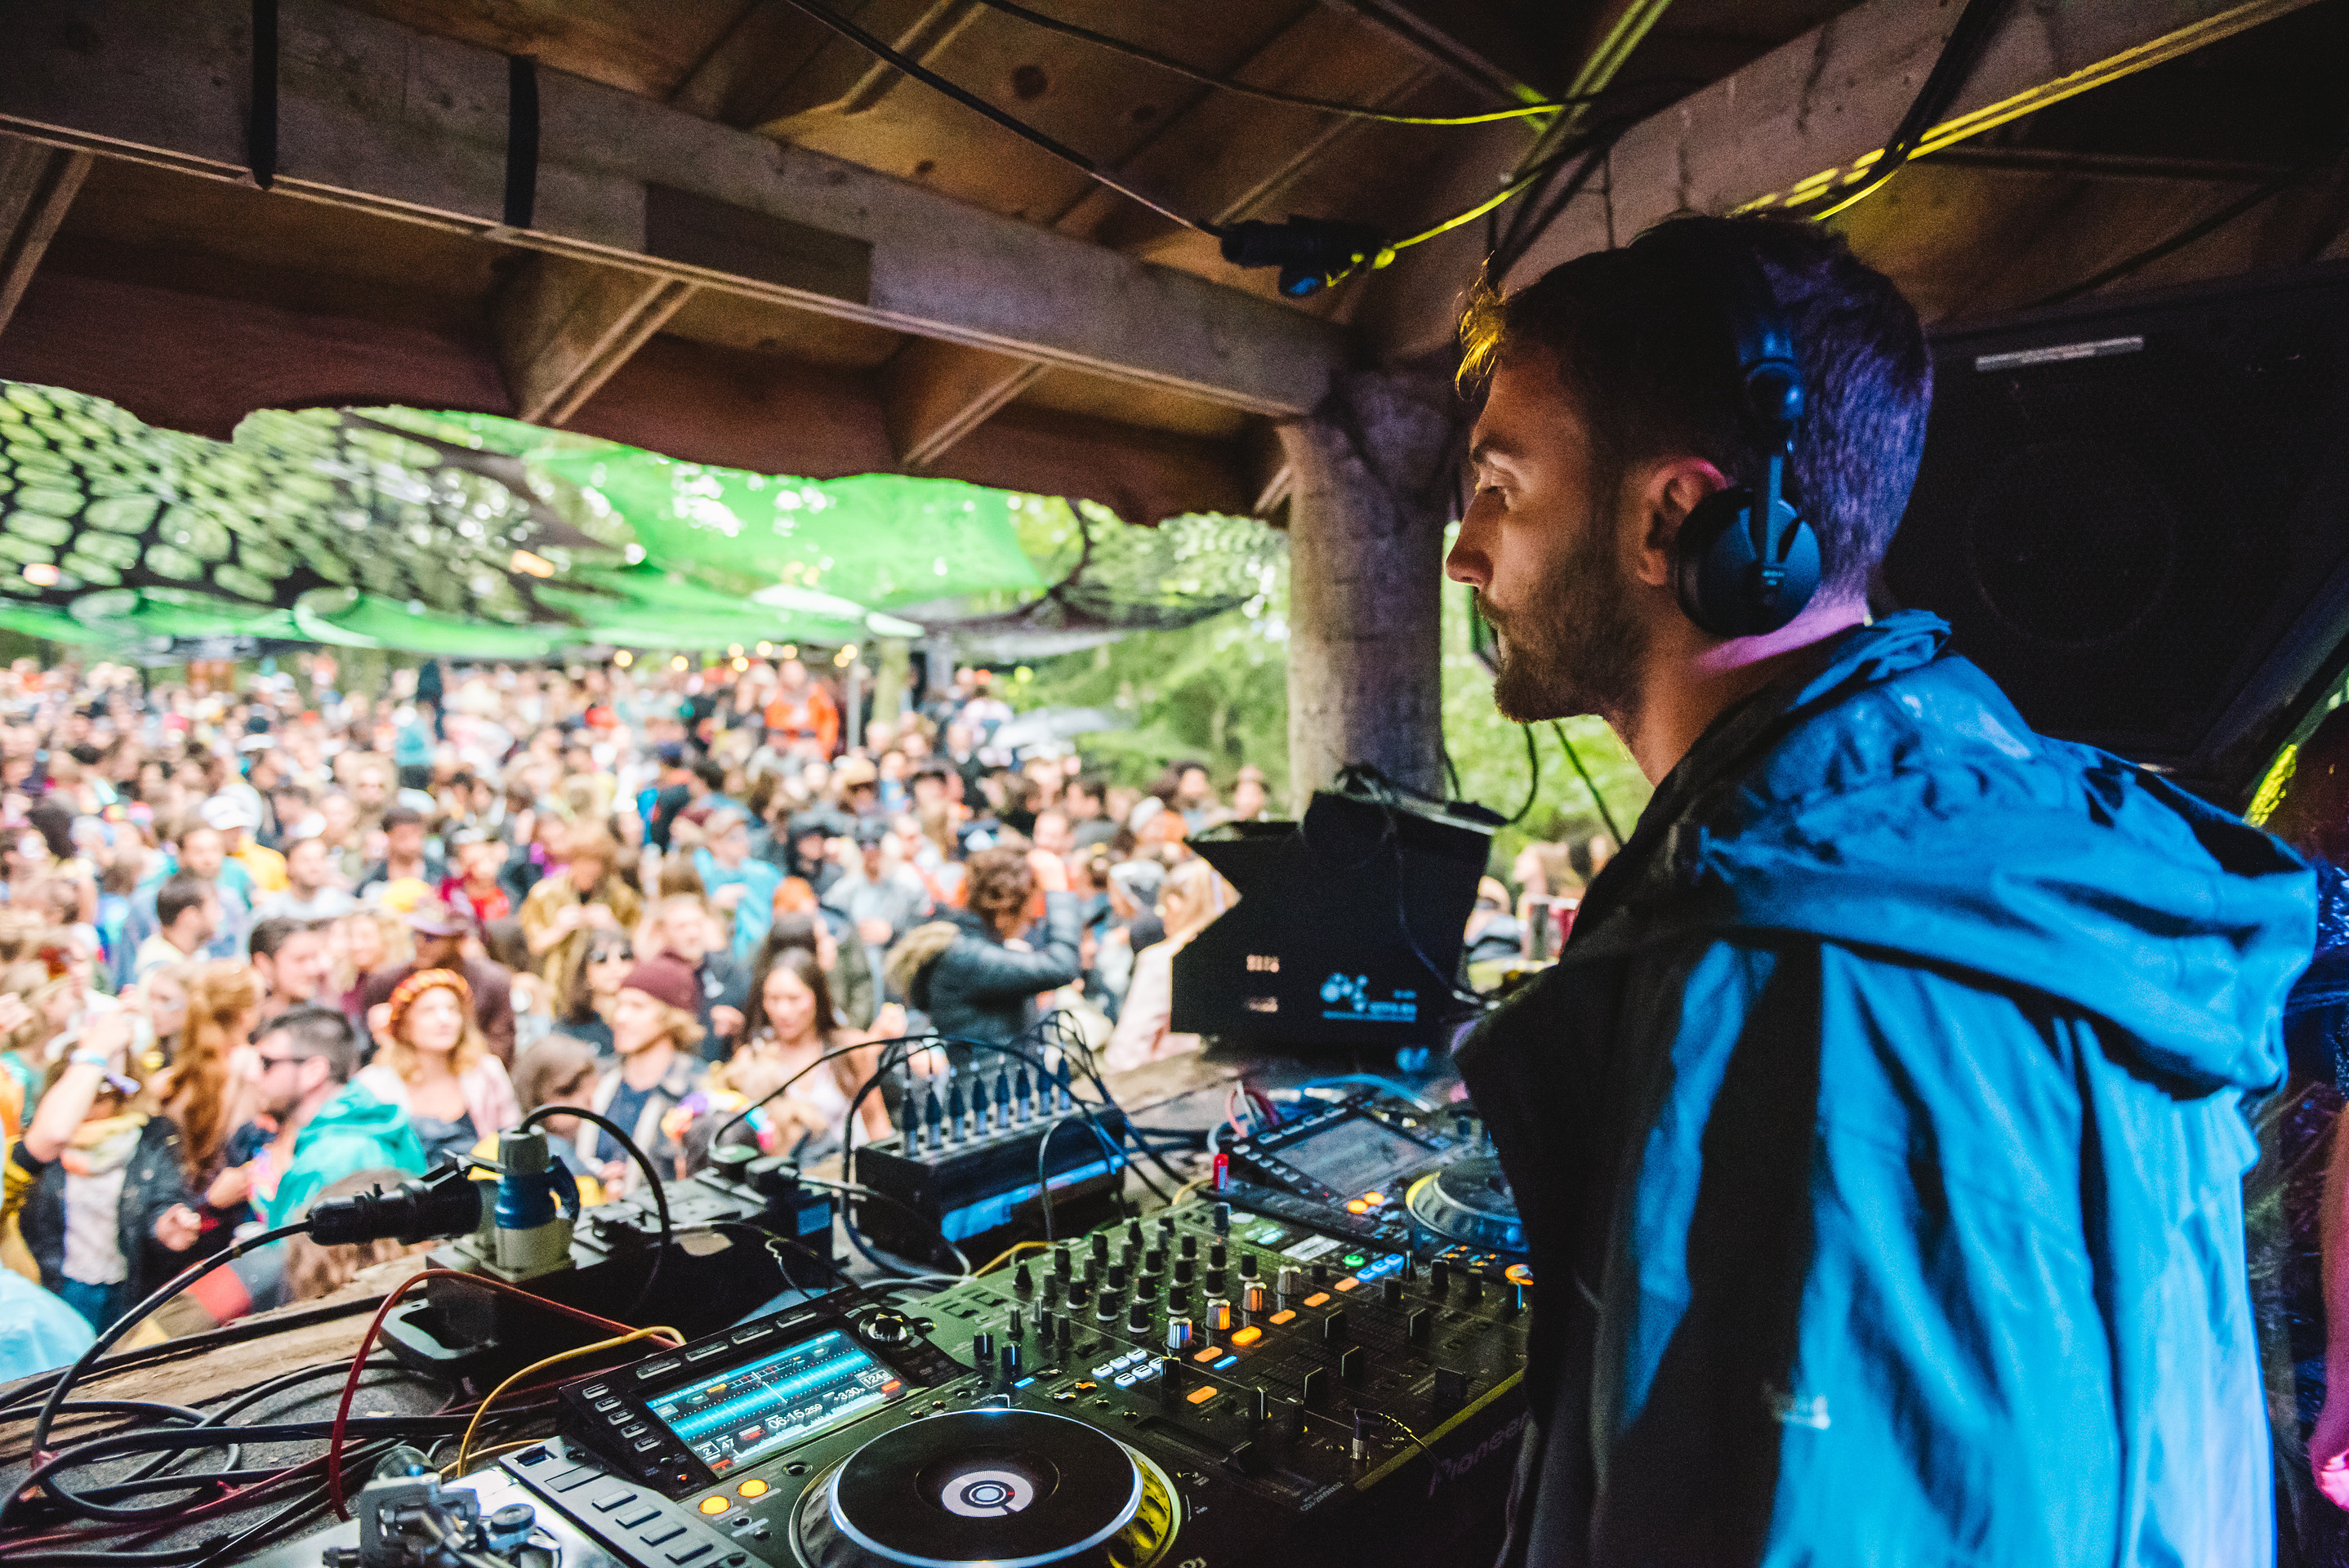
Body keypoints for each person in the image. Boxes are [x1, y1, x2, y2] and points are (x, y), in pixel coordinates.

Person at [1440, 214, 2307, 1565]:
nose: (1465, 551)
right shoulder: (1996, 822)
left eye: (1500, 486)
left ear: (1671, 517)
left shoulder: (1807, 979)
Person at [2, 1009, 202, 1330]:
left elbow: (164, 1198)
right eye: (83, 1095)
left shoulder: (151, 1137)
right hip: (58, 1285)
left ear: (123, 1094)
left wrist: (166, 1222)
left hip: (126, 1288)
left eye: (102, 1094)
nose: (90, 1106)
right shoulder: (40, 1147)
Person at [247, 1004, 426, 1229]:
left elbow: (297, 1249)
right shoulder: (383, 1123)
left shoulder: (322, 1163)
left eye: (267, 1063)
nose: (252, 1076)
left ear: (314, 1071)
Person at [887, 846, 1078, 1050]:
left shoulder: (966, 944)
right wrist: (1058, 890)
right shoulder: (966, 955)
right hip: (992, 1070)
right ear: (1004, 912)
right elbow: (1062, 966)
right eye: (1028, 914)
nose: (1030, 923)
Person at [356, 968, 519, 1169]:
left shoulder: (487, 1071)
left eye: (452, 1009)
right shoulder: (374, 1084)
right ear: (404, 1024)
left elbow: (512, 1139)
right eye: (428, 1011)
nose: (444, 1019)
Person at [576, 956, 704, 1193]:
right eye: (620, 1004)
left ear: (670, 1016)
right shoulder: (598, 1078)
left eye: (638, 1006)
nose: (621, 1017)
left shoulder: (697, 1088)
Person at [1102, 856, 1228, 1071]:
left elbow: (1128, 1049)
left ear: (1174, 903)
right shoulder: (1237, 955)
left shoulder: (1165, 959)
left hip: (1174, 1082)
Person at [354, 898, 517, 1063]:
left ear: (458, 941)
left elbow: (502, 1048)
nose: (420, 943)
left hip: (470, 1071)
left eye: (431, 937)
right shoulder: (386, 981)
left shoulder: (492, 982)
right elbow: (368, 1051)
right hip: (404, 1070)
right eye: (417, 934)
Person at [519, 828, 640, 1017]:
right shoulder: (545, 894)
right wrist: (558, 930)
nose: (590, 868)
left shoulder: (621, 896)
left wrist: (612, 926)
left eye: (597, 861)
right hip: (557, 991)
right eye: (584, 860)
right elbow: (530, 945)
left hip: (606, 997)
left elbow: (640, 947)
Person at [645, 894, 747, 1061]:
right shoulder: (651, 980)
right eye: (681, 927)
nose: (693, 933)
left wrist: (741, 1026)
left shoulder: (729, 972)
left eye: (698, 924)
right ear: (662, 933)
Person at [693, 804, 782, 963]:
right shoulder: (703, 877)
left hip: (767, 954)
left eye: (744, 835)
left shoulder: (764, 873)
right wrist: (716, 905)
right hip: (725, 958)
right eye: (734, 838)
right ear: (715, 843)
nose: (743, 842)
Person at [252, 831, 356, 923]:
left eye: (320, 859)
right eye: (306, 861)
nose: (314, 867)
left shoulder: (342, 908)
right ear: (288, 866)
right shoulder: (272, 911)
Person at [249, 915, 333, 1022]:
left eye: (314, 958)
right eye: (300, 959)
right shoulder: (244, 1024)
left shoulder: (328, 1019)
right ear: (264, 965)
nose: (313, 969)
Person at [134, 875, 216, 982]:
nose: (220, 916)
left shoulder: (197, 953)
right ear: (190, 916)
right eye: (214, 908)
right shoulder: (158, 968)